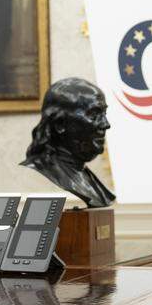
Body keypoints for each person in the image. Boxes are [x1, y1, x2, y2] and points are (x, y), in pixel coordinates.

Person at [21, 77, 115, 208]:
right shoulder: (43, 172)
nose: (106, 124)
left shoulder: (84, 176)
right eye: (94, 114)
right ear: (60, 124)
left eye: (104, 113)